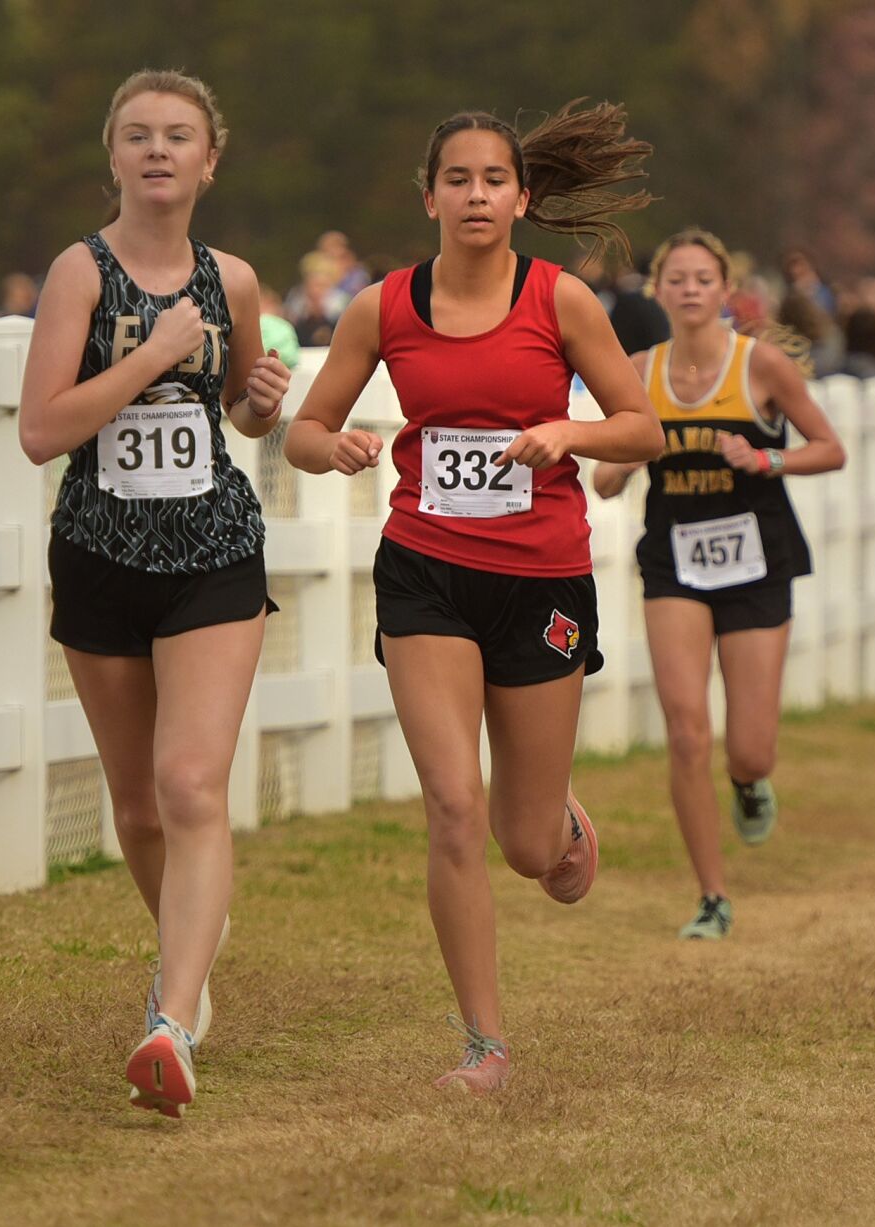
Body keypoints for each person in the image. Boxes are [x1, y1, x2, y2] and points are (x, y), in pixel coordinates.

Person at [283, 103, 663, 1093]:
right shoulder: (383, 307)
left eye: (494, 179)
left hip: (541, 580)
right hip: (426, 570)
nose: (477, 195)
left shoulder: (560, 300)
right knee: (453, 808)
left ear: (522, 197)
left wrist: (567, 436)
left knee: (526, 845)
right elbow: (303, 431)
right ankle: (485, 1044)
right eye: (458, 179)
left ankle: (560, 821)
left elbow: (641, 428)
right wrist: (339, 448)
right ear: (431, 197)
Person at [17, 70, 290, 1117]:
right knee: (137, 804)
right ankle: (189, 961)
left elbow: (239, 414)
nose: (158, 150)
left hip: (214, 551)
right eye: (138, 135)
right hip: (99, 553)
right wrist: (155, 355)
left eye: (179, 136)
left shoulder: (238, 280)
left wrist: (257, 400)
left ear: (210, 160)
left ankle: (170, 1022)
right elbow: (43, 428)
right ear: (114, 157)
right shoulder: (79, 274)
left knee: (190, 785)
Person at [593, 228, 845, 941]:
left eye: (703, 278)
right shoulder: (638, 370)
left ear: (724, 288)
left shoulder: (761, 366)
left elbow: (831, 448)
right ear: (659, 290)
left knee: (749, 747)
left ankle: (748, 780)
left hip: (756, 560)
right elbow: (605, 474)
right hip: (674, 560)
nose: (691, 289)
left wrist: (766, 461)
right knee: (684, 731)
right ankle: (711, 895)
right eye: (677, 278)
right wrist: (616, 464)